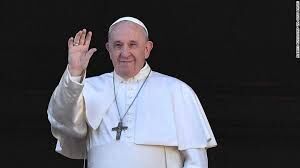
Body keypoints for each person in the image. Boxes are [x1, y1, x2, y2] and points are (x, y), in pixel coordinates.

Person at [47, 16, 217, 168]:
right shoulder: (87, 88)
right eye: (118, 45)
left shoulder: (177, 91)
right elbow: (63, 123)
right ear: (109, 49)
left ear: (147, 49)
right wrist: (75, 73)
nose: (125, 53)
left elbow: (196, 160)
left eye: (133, 44)